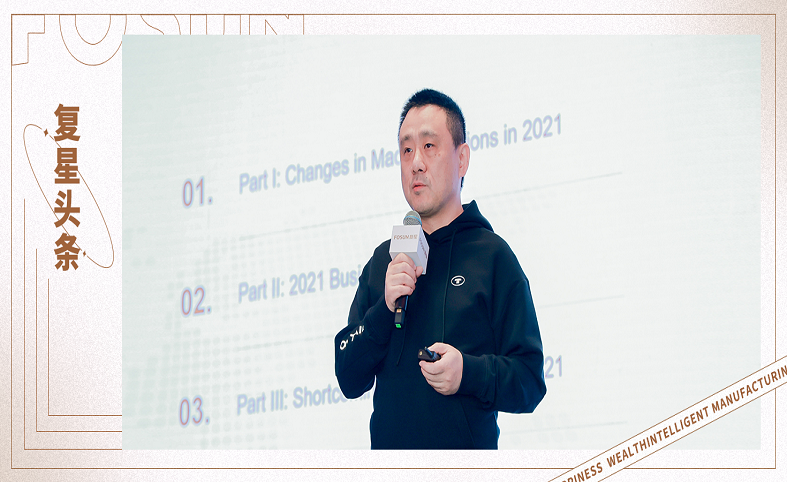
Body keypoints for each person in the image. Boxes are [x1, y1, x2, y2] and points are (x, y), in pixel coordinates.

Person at [334, 89, 546, 449]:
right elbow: (348, 377)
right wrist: (384, 311)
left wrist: (468, 373)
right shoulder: (385, 261)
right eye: (406, 150)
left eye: (429, 146)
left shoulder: (493, 257)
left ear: (461, 160)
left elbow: (529, 381)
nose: (416, 162)